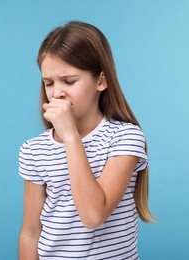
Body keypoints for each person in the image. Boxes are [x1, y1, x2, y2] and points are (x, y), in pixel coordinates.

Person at [18, 21, 154, 260]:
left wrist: (70, 136)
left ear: (101, 81)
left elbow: (93, 215)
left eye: (69, 81)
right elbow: (30, 233)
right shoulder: (34, 150)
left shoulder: (125, 138)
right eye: (49, 83)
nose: (57, 92)